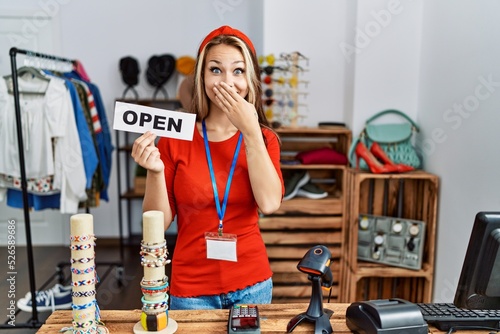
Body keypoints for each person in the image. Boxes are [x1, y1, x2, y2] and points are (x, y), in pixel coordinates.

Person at [131, 25, 285, 310]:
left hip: (252, 285)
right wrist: (154, 171)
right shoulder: (175, 139)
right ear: (201, 77)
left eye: (238, 71)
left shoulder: (265, 139)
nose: (227, 82)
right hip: (191, 290)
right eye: (216, 70)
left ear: (250, 79)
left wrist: (250, 132)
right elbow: (158, 222)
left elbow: (270, 202)